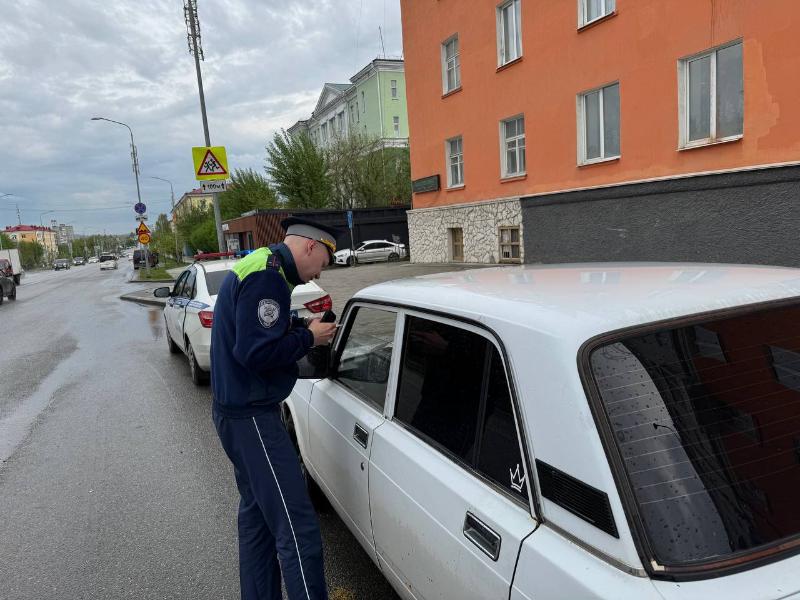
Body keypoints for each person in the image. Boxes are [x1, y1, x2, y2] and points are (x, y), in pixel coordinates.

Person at [210, 217, 340, 600]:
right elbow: (255, 352)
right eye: (323, 264)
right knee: (298, 529)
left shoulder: (262, 265)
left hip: (235, 413)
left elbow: (253, 326)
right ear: (312, 247)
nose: (319, 274)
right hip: (252, 418)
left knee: (257, 523)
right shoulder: (268, 278)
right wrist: (308, 337)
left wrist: (300, 323)